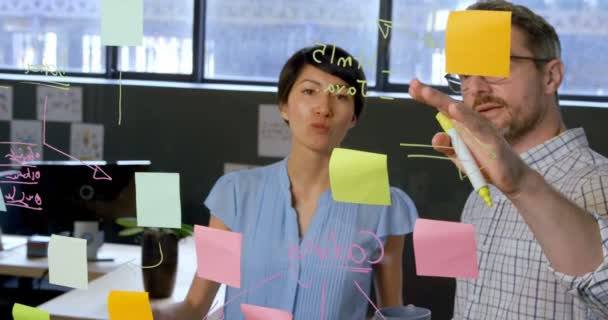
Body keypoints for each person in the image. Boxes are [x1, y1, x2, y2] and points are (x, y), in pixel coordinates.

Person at [153, 45, 418, 320]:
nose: (323, 108)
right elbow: (195, 307)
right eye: (309, 91)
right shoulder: (234, 194)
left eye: (340, 96)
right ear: (283, 106)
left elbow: (391, 311)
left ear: (353, 117)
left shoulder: (383, 206)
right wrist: (154, 314)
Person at [409, 1, 608, 319]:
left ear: (550, 76)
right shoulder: (479, 194)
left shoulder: (599, 183)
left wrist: (522, 185)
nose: (475, 89)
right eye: (464, 76)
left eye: (494, 67)